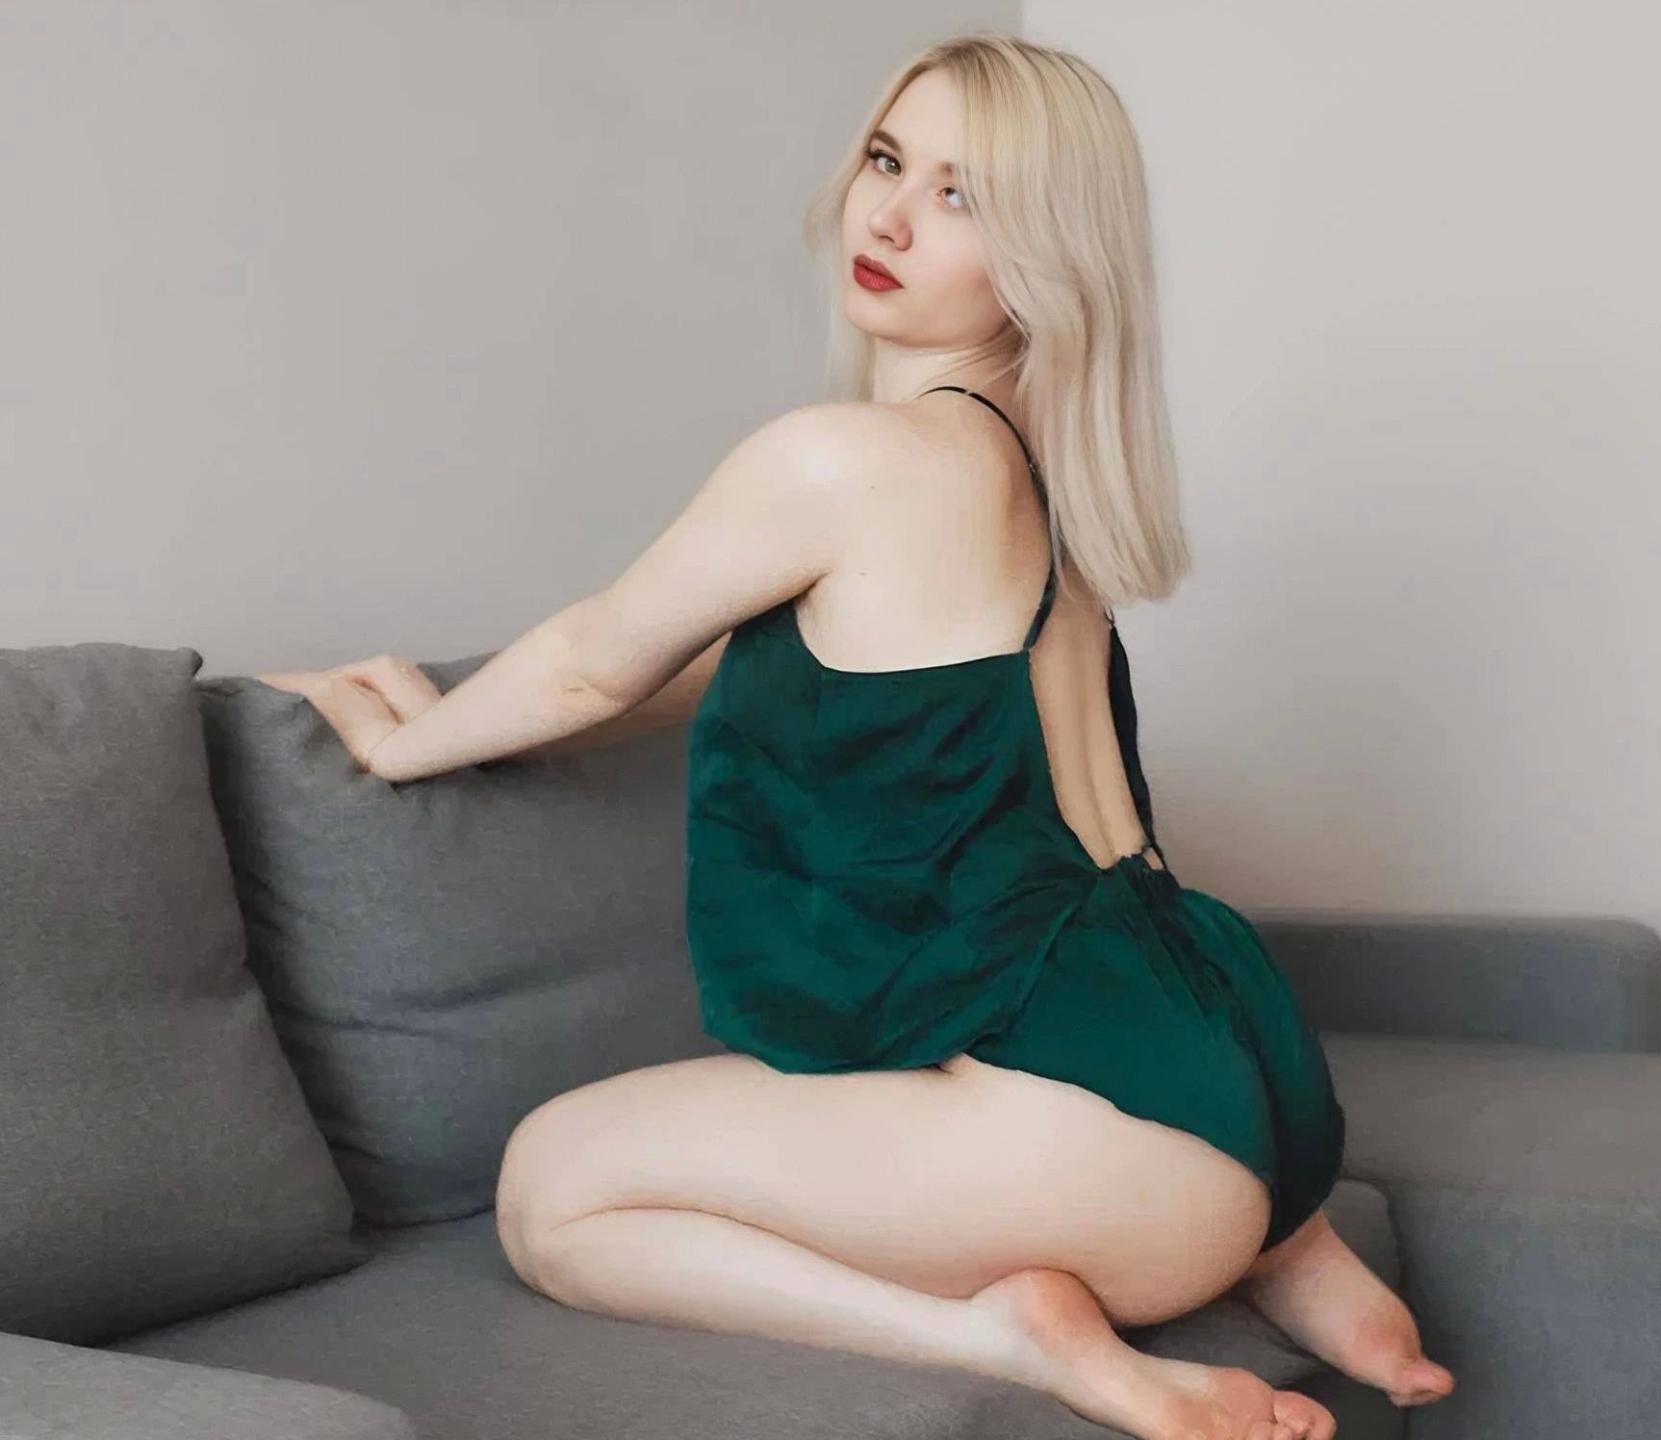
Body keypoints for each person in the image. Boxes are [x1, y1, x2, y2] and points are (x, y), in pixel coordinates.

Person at [270, 33, 1453, 1440]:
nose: (886, 217)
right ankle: (1288, 1252)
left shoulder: (846, 460)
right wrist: (478, 716)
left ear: (1048, 254)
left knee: (551, 1189)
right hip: (1230, 1073)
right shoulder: (1042, 489)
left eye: (962, 195)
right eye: (889, 162)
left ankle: (1002, 1333)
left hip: (1093, 1147)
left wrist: (404, 746)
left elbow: (595, 661)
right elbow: (736, 673)